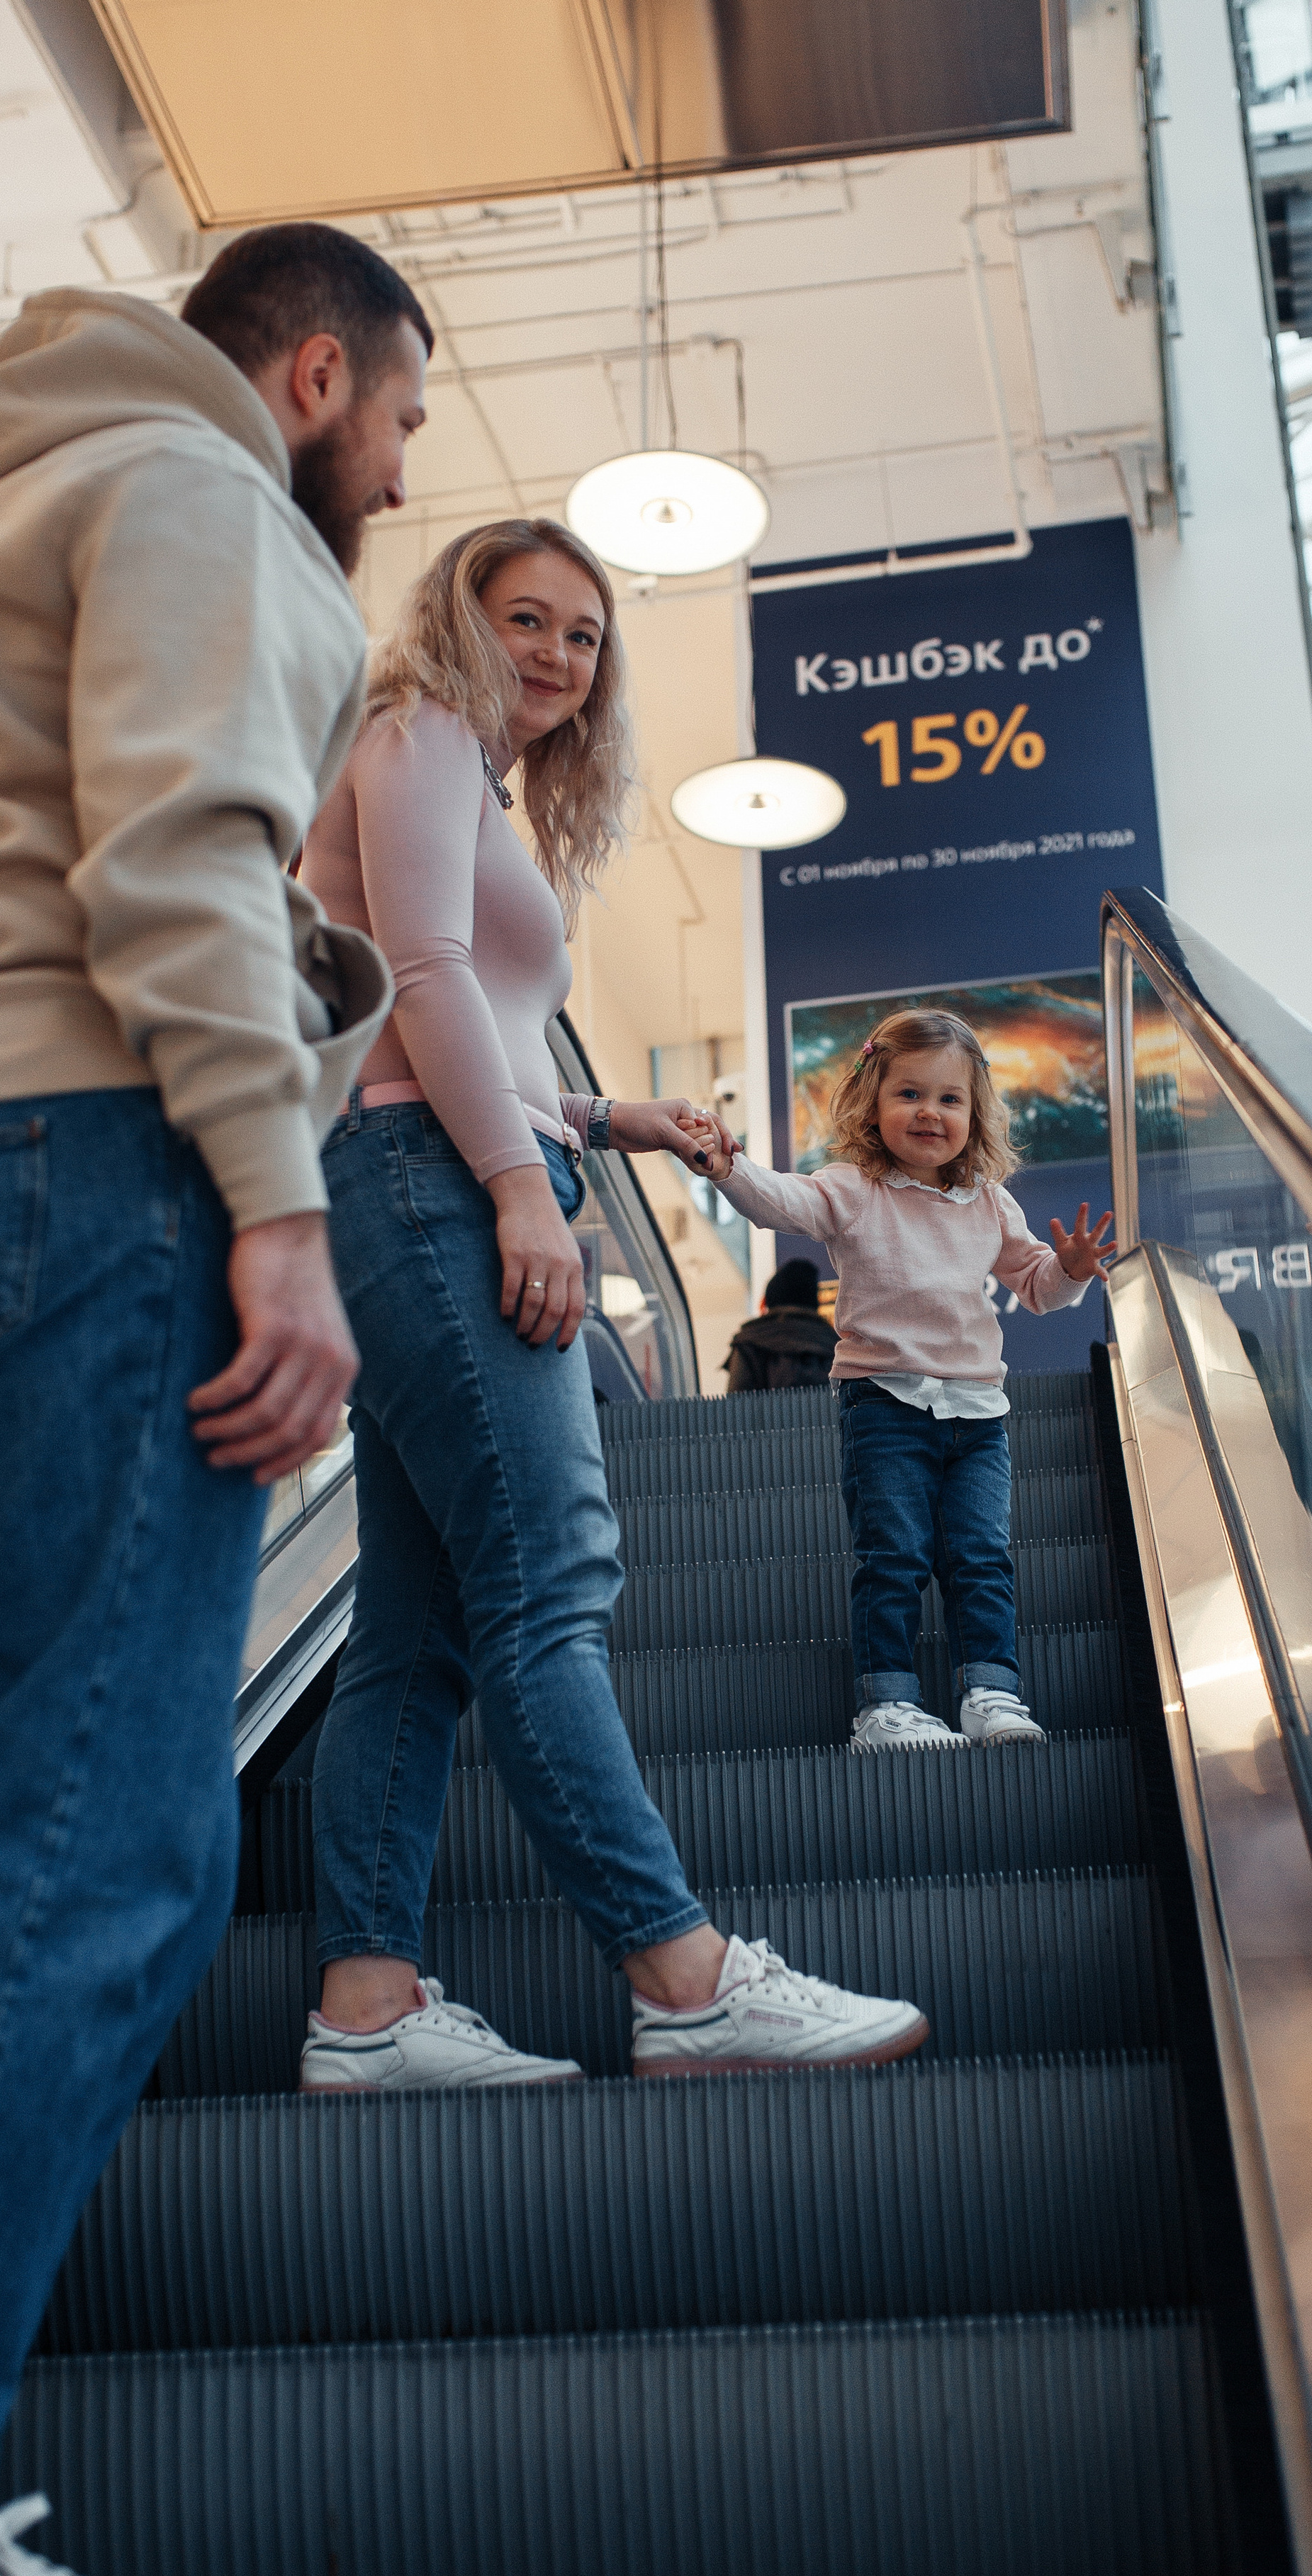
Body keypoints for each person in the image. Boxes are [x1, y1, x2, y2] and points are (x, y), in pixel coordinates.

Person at [0, 223, 430, 2576]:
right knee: (92, 1826)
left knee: (3, 1800)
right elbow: (177, 865)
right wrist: (281, 1207)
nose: (395, 483)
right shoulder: (206, 495)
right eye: (399, 435)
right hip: (87, 1177)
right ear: (309, 372)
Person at [297, 516, 931, 2091]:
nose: (556, 656)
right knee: (548, 1579)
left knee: (413, 1629)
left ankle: (365, 2004)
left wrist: (598, 1127)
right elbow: (427, 977)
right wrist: (523, 1189)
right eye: (526, 618)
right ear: (459, 616)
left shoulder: (457, 769)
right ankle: (681, 1975)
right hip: (428, 1187)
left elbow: (442, 1013)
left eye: (584, 636)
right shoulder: (422, 723)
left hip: (406, 1170)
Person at [696, 1008, 1113, 1752]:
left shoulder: (989, 1200)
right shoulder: (853, 1188)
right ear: (873, 1103)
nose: (930, 1112)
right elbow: (779, 1203)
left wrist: (1072, 1269)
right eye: (910, 1095)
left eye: (950, 1099)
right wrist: (729, 1169)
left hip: (978, 1413)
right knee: (893, 1554)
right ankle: (883, 1708)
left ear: (974, 1112)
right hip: (884, 1403)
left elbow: (1037, 1286)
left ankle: (991, 1692)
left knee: (980, 1556)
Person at [724, 1255, 839, 1390]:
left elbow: (737, 1405)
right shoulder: (838, 1345)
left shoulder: (749, 1342)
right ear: (813, 1301)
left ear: (772, 1299)